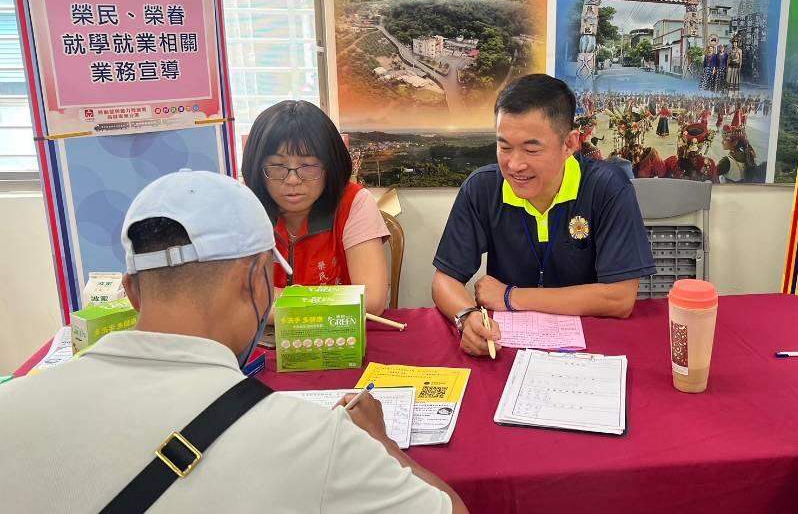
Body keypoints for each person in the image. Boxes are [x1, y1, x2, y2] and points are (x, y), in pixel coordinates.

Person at [0, 171, 465, 513]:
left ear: (130, 290)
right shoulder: (314, 440)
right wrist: (382, 442)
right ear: (259, 281)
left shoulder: (10, 406)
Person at [431, 75, 656, 357]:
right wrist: (466, 316)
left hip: (593, 348)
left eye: (531, 149)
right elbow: (444, 280)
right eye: (504, 146)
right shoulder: (483, 188)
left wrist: (510, 297)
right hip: (507, 347)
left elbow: (620, 299)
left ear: (570, 144)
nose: (514, 164)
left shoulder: (607, 189)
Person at [242, 100, 389, 316]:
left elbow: (372, 300)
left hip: (337, 341)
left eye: (308, 166)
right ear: (257, 166)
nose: (292, 180)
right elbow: (229, 300)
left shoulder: (353, 202)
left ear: (330, 165)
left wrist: (271, 301)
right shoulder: (244, 206)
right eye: (276, 166)